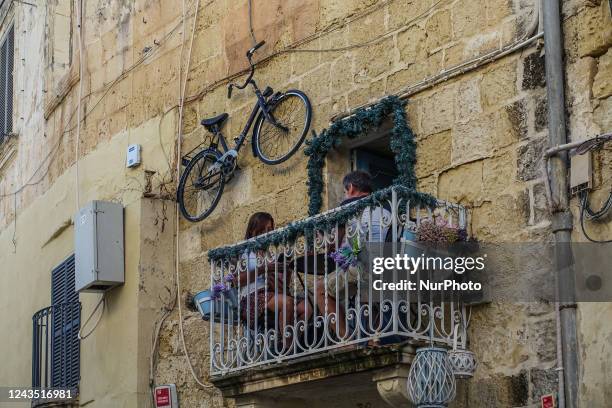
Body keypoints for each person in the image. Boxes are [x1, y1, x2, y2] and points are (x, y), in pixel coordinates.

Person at [314, 171, 391, 339]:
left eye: (344, 190)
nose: (344, 194)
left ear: (351, 188)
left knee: (321, 289)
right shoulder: (386, 211)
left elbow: (332, 247)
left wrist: (322, 239)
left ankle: (346, 339)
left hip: (363, 266)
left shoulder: (347, 207)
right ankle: (375, 337)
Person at [236, 212, 310, 345]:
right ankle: (287, 348)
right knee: (287, 302)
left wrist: (286, 270)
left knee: (307, 306)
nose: (266, 234)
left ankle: (291, 341)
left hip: (272, 294)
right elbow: (237, 281)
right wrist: (264, 269)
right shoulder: (244, 253)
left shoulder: (270, 255)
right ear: (253, 230)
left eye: (269, 230)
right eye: (262, 230)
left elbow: (281, 286)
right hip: (251, 297)